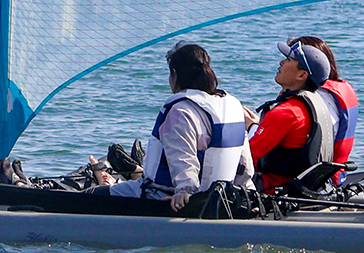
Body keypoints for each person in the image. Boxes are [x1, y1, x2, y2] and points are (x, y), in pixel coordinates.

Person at [92, 43, 254, 210]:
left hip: (159, 195)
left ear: (175, 74)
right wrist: (247, 192)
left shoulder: (181, 111)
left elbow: (182, 156)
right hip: (224, 197)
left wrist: (185, 191)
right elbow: (244, 162)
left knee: (91, 196)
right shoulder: (232, 106)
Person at [247, 36, 360, 193]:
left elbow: (246, 157)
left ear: (302, 75)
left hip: (276, 190)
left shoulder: (286, 112)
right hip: (312, 187)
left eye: (288, 60)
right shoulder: (317, 104)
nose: (281, 62)